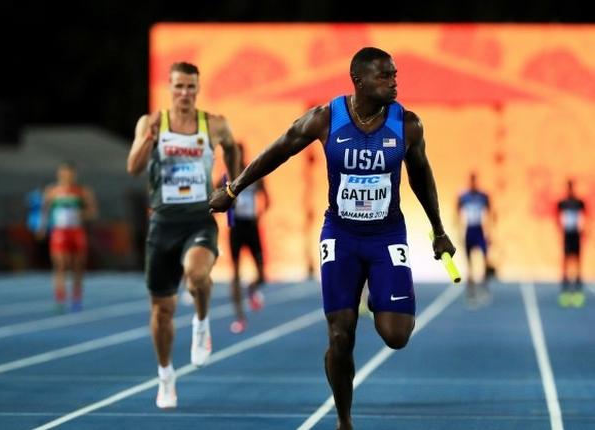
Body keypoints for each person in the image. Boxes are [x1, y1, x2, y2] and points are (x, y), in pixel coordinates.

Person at [209, 47, 455, 430]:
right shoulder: (326, 118)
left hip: (386, 236)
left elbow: (422, 176)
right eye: (384, 76)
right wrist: (234, 188)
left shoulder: (407, 124)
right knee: (341, 334)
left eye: (395, 74)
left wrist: (439, 231)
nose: (394, 82)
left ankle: (378, 289)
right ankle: (344, 419)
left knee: (396, 336)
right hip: (340, 234)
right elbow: (281, 148)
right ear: (358, 81)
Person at [127, 61, 240, 409]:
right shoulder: (152, 123)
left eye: (191, 87)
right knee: (162, 310)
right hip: (163, 221)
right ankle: (165, 376)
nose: (185, 94)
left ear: (198, 89)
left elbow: (234, 149)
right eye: (179, 86)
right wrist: (149, 139)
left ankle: (202, 323)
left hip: (199, 218)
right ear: (170, 87)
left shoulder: (214, 123)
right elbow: (133, 168)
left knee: (196, 276)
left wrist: (232, 187)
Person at [38, 163, 98, 312]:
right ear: (59, 174)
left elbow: (93, 211)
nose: (67, 177)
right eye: (64, 174)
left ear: (74, 175)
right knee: (60, 266)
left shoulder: (82, 191)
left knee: (77, 267)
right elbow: (44, 210)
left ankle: (76, 299)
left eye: (70, 174)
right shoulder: (52, 191)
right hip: (59, 232)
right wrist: (42, 227)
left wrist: (82, 214)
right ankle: (60, 299)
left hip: (76, 232)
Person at [227, 143, 270, 334]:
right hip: (236, 227)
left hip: (251, 226)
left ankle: (252, 289)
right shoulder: (226, 176)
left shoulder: (254, 172)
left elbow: (267, 199)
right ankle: (239, 318)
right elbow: (216, 197)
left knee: (262, 274)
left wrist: (258, 215)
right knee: (235, 274)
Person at [456, 172, 494, 308]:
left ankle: (484, 288)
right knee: (469, 264)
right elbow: (457, 214)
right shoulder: (463, 197)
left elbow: (491, 214)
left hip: (480, 230)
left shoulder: (483, 196)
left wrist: (489, 233)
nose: (473, 183)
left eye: (474, 180)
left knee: (484, 260)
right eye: (471, 180)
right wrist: (459, 232)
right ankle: (471, 291)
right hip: (469, 231)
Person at [557, 179, 586, 307]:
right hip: (567, 234)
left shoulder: (579, 203)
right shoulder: (563, 203)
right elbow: (559, 218)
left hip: (576, 235)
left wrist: (582, 230)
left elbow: (583, 218)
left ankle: (578, 286)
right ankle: (565, 286)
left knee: (577, 260)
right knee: (566, 260)